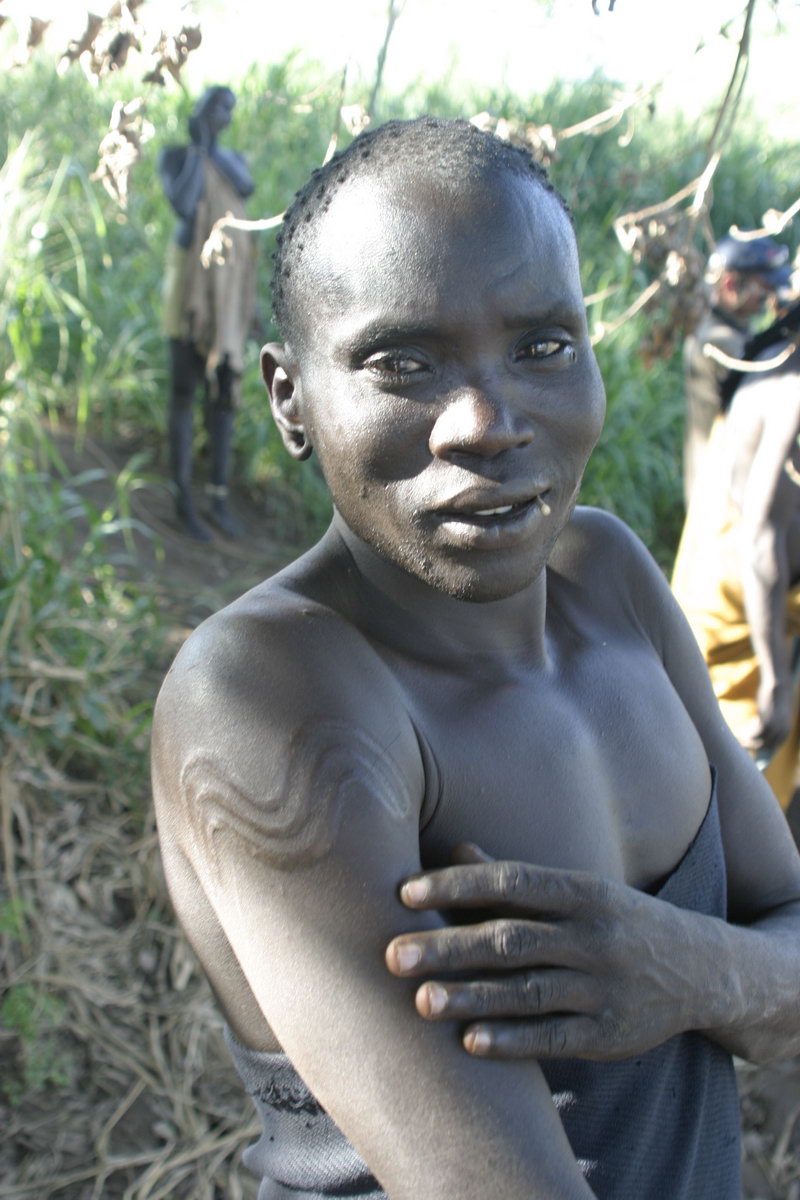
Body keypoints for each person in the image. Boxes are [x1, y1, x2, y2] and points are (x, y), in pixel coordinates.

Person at [151, 118, 800, 1199]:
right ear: (288, 399)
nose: (487, 422)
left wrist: (694, 967)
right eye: (402, 361)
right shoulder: (269, 699)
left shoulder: (607, 581)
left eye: (542, 345)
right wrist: (742, 981)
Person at [673, 280, 800, 811]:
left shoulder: (773, 358)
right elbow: (763, 537)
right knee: (730, 785)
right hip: (741, 614)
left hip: (733, 590)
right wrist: (773, 680)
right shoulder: (792, 389)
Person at [159, 85, 257, 540]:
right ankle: (182, 500)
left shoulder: (234, 160)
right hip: (189, 283)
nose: (223, 113)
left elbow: (246, 188)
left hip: (230, 285)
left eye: (229, 108)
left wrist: (212, 149)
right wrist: (198, 147)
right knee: (184, 389)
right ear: (197, 110)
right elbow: (183, 202)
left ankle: (216, 499)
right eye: (215, 105)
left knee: (223, 391)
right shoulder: (177, 156)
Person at [682, 229, 788, 506]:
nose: (772, 298)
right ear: (730, 285)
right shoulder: (717, 343)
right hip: (720, 494)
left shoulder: (730, 332)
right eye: (764, 289)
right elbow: (770, 372)